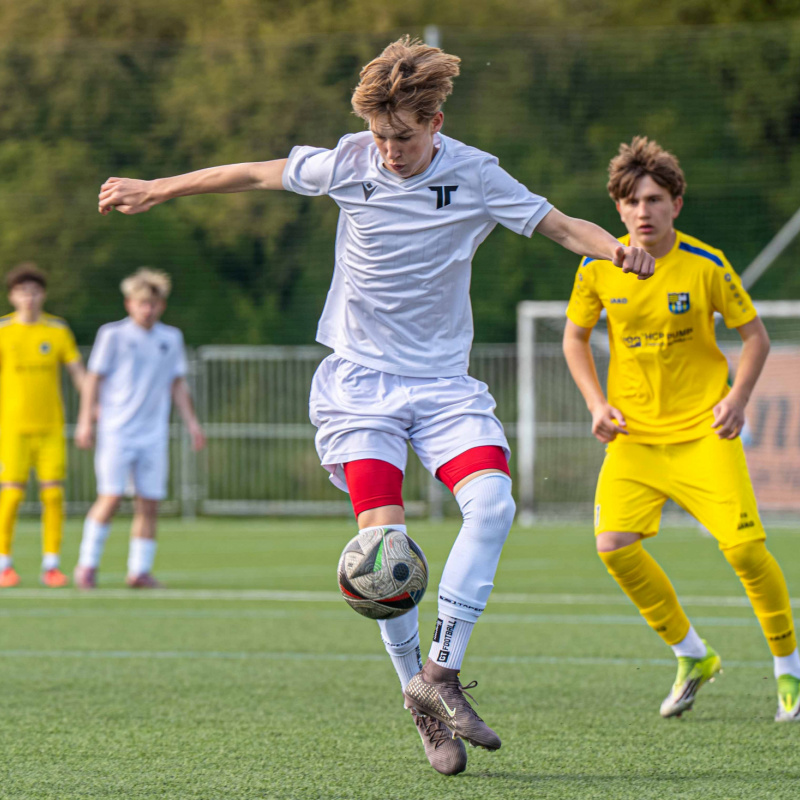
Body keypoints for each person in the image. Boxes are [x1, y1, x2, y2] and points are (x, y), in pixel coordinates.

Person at [96, 37, 654, 774]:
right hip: (360, 387)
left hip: (443, 385)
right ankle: (418, 703)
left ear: (437, 122)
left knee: (492, 507)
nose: (388, 151)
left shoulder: (476, 175)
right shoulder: (351, 159)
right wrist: (159, 187)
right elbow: (255, 172)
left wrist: (615, 248)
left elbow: (559, 226)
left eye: (403, 137)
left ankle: (441, 674)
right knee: (385, 553)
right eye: (381, 136)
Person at [563, 136, 800, 723]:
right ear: (617, 208)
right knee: (613, 548)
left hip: (702, 434)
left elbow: (756, 338)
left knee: (745, 550)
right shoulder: (598, 265)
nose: (643, 211)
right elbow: (573, 337)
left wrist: (738, 400)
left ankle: (789, 669)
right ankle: (693, 655)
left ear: (676, 204)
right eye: (631, 200)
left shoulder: (706, 265)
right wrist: (596, 403)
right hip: (634, 438)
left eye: (655, 199)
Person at [73, 268, 205, 590]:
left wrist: (192, 423)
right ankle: (87, 565)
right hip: (117, 431)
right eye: (142, 303)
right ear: (129, 303)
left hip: (153, 434)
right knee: (111, 498)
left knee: (150, 502)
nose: (148, 309)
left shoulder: (170, 338)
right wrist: (85, 420)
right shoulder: (113, 335)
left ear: (161, 305)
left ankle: (139, 571)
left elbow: (177, 383)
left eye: (154, 303)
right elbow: (93, 379)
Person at [0, 263, 85, 588]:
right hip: (13, 429)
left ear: (43, 295)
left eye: (35, 292)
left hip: (50, 428)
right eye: (23, 292)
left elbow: (77, 372)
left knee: (53, 497)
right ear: (12, 296)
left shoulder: (57, 331)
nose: (29, 298)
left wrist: (93, 409)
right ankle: (4, 564)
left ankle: (51, 565)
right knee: (10, 497)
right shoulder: (3, 331)